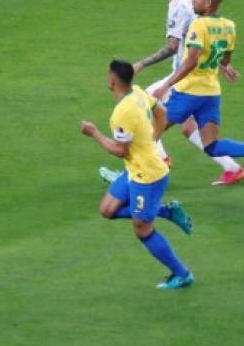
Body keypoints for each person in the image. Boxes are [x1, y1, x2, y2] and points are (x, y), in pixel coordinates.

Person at [101, 0, 244, 186]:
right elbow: (207, 38)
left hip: (186, 77)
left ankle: (150, 165)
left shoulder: (180, 6)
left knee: (146, 108)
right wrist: (222, 64)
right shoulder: (187, 3)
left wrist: (141, 64)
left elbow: (172, 47)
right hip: (196, 76)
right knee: (189, 128)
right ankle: (232, 168)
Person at [81, 60, 194, 289]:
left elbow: (119, 150)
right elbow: (161, 111)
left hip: (148, 176)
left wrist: (94, 133)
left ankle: (182, 274)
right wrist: (154, 139)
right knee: (107, 210)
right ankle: (165, 211)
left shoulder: (121, 113)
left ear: (113, 81)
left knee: (142, 229)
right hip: (135, 169)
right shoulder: (138, 92)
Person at [150, 0, 244, 177]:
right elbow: (225, 58)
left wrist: (166, 84)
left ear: (208, 3)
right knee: (211, 146)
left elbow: (191, 61)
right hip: (211, 94)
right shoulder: (229, 26)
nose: (193, 1)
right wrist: (225, 68)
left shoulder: (198, 25)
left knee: (149, 131)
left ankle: (131, 178)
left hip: (188, 92)